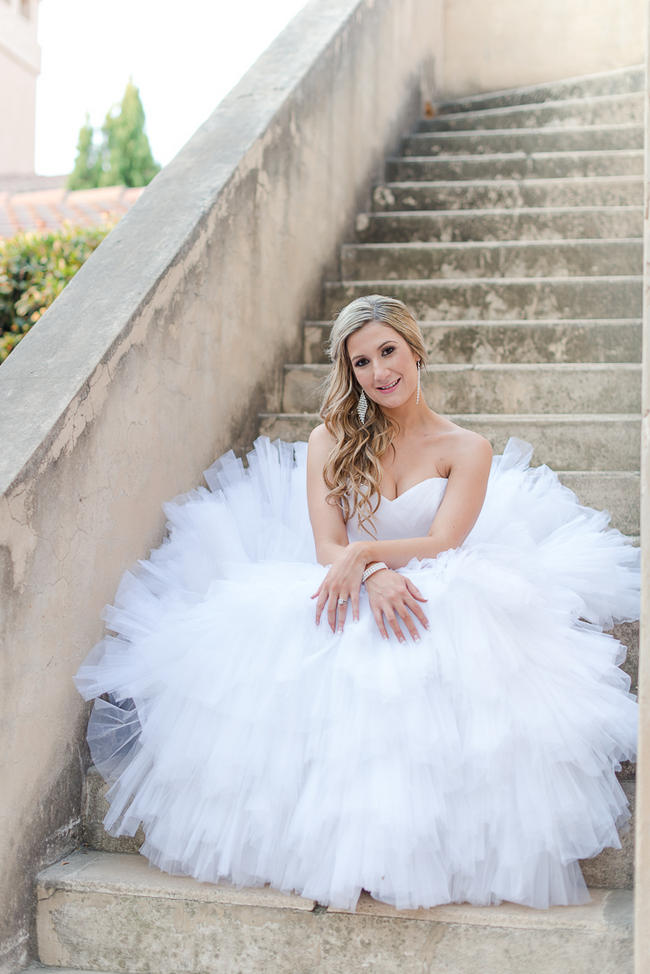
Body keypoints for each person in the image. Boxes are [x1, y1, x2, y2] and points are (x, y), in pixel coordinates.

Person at [73, 293, 639, 914]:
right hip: (351, 578)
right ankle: (330, 838)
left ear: (415, 348)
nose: (379, 372)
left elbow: (442, 540)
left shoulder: (467, 449)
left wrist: (367, 558)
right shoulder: (331, 438)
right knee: (317, 631)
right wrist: (366, 571)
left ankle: (412, 843)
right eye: (362, 362)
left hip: (433, 577)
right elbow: (326, 545)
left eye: (388, 351)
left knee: (422, 636)